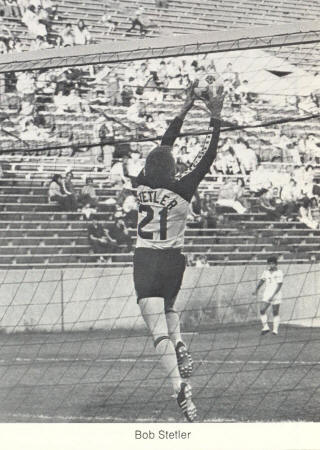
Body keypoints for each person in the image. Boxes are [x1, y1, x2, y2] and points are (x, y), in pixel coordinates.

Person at [132, 82, 225, 421]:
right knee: (169, 309)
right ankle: (181, 341)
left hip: (145, 259)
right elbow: (208, 156)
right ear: (172, 169)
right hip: (174, 261)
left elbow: (163, 145)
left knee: (157, 331)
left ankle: (178, 387)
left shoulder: (139, 184)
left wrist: (184, 108)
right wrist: (215, 116)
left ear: (149, 167)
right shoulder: (184, 187)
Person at [252, 255, 283, 335]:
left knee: (275, 312)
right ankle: (265, 327)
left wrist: (273, 296)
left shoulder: (279, 272)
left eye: (272, 263)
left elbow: (279, 285)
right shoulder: (266, 272)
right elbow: (261, 281)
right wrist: (256, 289)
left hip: (276, 294)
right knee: (262, 310)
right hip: (267, 293)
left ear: (276, 264)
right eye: (269, 263)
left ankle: (275, 330)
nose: (270, 265)